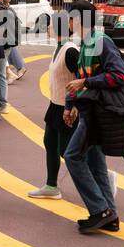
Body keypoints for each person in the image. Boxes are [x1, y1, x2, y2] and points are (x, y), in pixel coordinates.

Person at [62, 27, 124, 233]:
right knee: (96, 165)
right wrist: (69, 105)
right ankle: (110, 216)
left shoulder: (100, 42)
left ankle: (100, 210)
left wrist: (86, 82)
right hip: (90, 111)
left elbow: (120, 75)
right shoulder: (86, 43)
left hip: (98, 113)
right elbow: (79, 77)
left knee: (73, 156)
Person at [28, 36, 80, 200]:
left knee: (66, 151)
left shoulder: (70, 50)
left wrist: (75, 105)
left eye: (51, 24)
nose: (48, 27)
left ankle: (103, 177)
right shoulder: (58, 48)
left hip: (67, 107)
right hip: (55, 104)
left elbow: (81, 79)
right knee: (50, 142)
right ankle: (51, 186)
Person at [0, 0, 22, 114]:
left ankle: (2, 103)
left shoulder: (4, 11)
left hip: (4, 45)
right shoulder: (10, 10)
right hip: (8, 45)